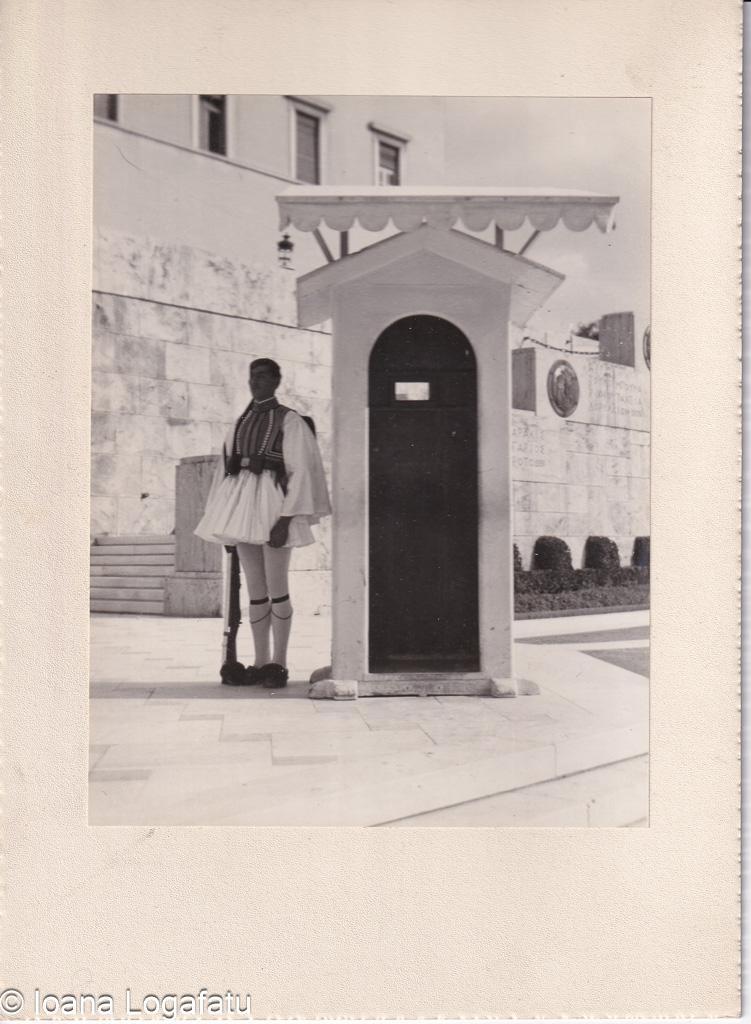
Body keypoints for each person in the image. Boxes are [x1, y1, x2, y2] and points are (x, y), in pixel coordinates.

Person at [195, 358, 331, 688]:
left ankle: (279, 663)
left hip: (274, 507)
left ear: (275, 381)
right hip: (242, 510)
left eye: (262, 377)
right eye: (251, 377)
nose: (255, 383)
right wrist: (223, 522)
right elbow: (224, 472)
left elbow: (300, 471)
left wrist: (286, 519)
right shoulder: (240, 423)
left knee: (277, 585)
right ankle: (259, 661)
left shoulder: (290, 421)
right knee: (256, 590)